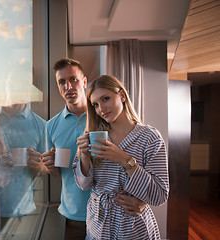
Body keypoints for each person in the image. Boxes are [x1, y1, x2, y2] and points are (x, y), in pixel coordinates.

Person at [42, 58, 146, 239]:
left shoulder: (106, 118)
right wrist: (50, 167)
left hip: (114, 215)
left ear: (84, 82)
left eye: (73, 79)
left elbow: (134, 164)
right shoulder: (51, 126)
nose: (68, 86)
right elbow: (58, 173)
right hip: (73, 215)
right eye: (62, 82)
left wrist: (144, 199)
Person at [74, 74, 169, 239]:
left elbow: (159, 194)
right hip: (97, 229)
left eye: (106, 99)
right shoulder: (93, 136)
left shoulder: (150, 137)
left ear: (122, 96)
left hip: (133, 231)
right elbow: (83, 185)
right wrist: (84, 156)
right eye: (95, 104)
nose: (101, 109)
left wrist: (124, 160)